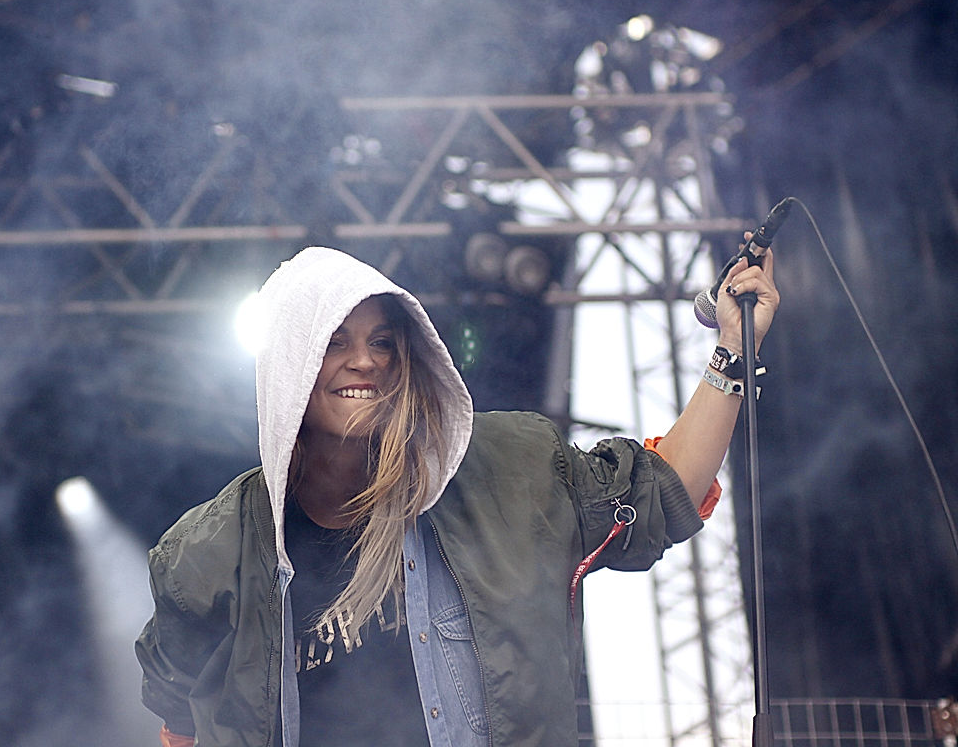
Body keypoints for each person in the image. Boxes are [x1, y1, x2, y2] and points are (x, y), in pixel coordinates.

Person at [136, 242, 779, 747]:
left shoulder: (510, 470)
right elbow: (175, 711)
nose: (366, 361)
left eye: (383, 342)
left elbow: (662, 492)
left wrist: (730, 349)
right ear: (287, 369)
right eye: (335, 342)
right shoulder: (209, 553)